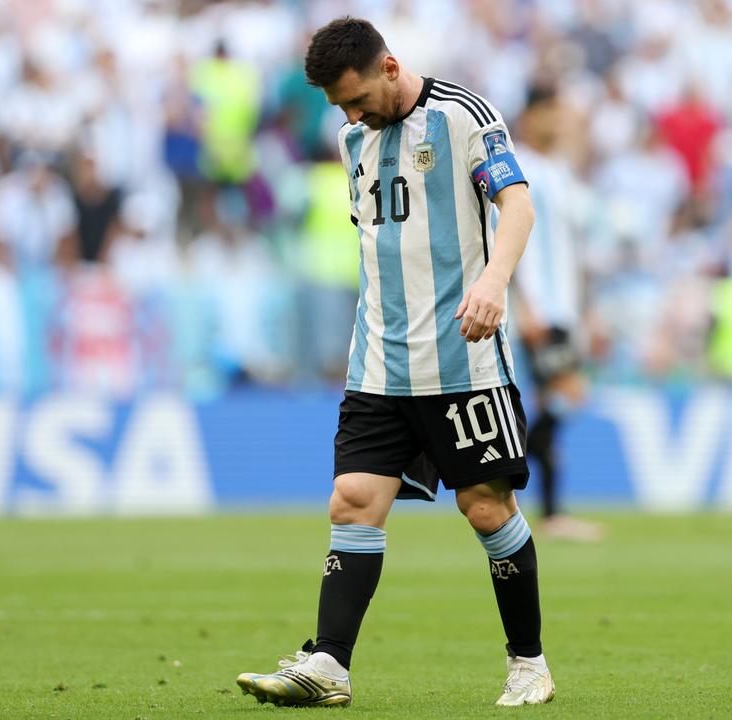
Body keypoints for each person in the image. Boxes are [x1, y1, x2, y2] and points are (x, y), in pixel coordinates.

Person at [236, 17, 553, 708]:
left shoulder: (464, 116)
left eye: (356, 99)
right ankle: (330, 665)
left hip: (462, 360)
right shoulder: (352, 140)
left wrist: (493, 282)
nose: (349, 116)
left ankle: (528, 662)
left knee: (485, 508)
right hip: (379, 361)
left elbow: (518, 205)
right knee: (352, 500)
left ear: (389, 67)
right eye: (338, 107)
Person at [511, 84, 606, 543]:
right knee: (564, 394)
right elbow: (507, 236)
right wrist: (524, 305)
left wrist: (588, 310)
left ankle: (535, 503)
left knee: (559, 401)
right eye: (554, 112)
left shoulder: (561, 172)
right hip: (542, 308)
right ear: (533, 117)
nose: (563, 122)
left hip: (564, 307)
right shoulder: (521, 166)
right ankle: (501, 481)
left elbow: (574, 249)